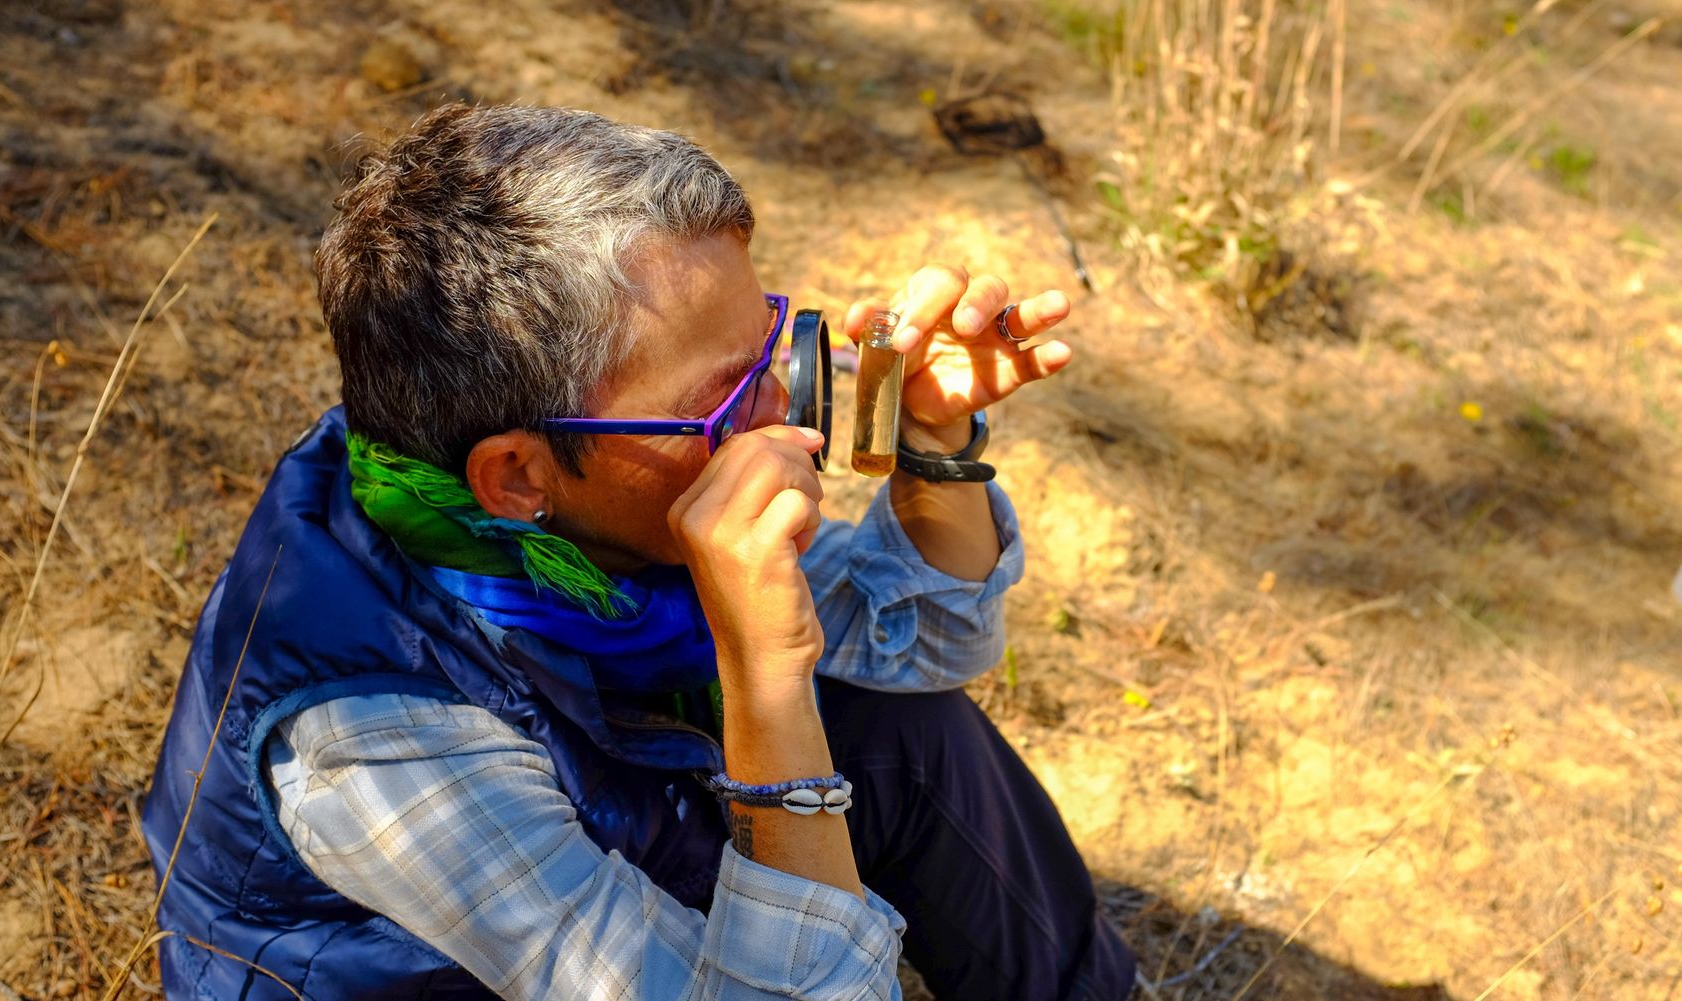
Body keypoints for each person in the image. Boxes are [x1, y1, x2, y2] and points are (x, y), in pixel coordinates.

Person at [143, 102, 1136, 1001]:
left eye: (773, 343)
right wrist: (763, 678)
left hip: (627, 834)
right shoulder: (372, 735)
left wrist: (930, 445)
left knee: (898, 726)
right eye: (724, 390)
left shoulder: (579, 487)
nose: (780, 404)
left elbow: (919, 646)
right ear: (520, 476)